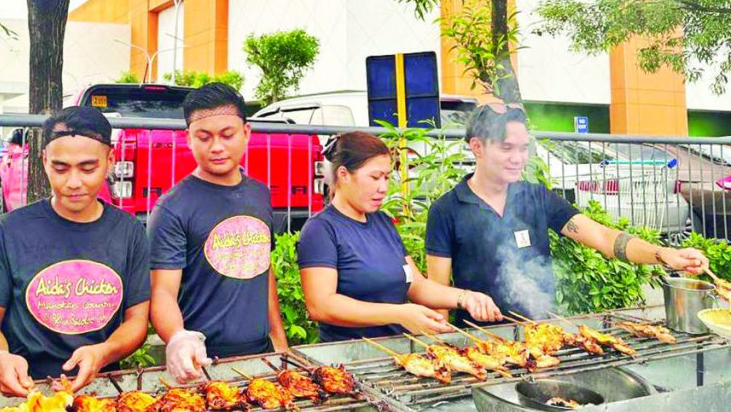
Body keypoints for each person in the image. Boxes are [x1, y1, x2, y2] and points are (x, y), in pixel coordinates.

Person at [425, 102, 709, 324]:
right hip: (484, 346)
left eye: (523, 148)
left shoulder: (537, 197)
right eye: (506, 148)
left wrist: (665, 255)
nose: (518, 158)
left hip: (541, 334)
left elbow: (602, 237)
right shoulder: (446, 210)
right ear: (477, 147)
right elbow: (437, 295)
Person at [0, 107, 150, 395]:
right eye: (61, 168)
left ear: (110, 160)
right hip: (27, 389)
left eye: (88, 168)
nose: (74, 182)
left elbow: (137, 320)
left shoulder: (130, 233)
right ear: (44, 161)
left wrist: (105, 351)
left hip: (104, 389)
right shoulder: (8, 231)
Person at [298, 131, 502, 340]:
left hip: (397, 355)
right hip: (349, 358)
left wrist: (464, 297)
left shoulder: (382, 223)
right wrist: (400, 313)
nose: (383, 188)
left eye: (386, 177)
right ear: (344, 175)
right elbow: (321, 305)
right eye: (375, 177)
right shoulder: (321, 230)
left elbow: (416, 285)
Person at [149, 83, 289, 383]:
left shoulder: (260, 194)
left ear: (246, 133)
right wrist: (178, 339)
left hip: (262, 354)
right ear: (188, 139)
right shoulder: (172, 207)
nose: (216, 147)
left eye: (227, 135)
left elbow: (262, 269)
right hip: (201, 362)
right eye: (204, 137)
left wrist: (279, 342)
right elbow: (162, 292)